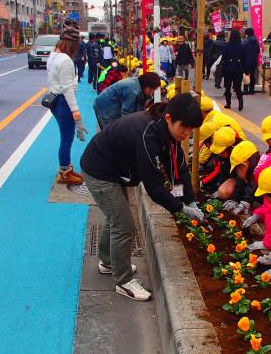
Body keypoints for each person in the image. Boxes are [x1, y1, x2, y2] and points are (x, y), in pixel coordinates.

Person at [80, 93, 205, 301]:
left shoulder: (165, 131)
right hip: (99, 171)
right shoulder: (147, 133)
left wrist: (188, 199)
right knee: (124, 225)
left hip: (113, 169)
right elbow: (154, 187)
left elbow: (177, 170)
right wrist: (181, 209)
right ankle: (123, 281)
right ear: (169, 119)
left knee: (117, 218)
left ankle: (108, 261)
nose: (187, 133)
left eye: (192, 129)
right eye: (185, 127)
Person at [47, 25, 86, 185]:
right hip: (63, 101)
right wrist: (76, 113)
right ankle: (64, 173)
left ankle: (67, 168)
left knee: (66, 138)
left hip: (55, 99)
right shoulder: (66, 61)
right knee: (67, 139)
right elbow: (68, 88)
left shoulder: (54, 56)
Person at [93, 72, 162, 129]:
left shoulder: (139, 83)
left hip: (113, 104)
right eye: (152, 89)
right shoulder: (132, 91)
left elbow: (140, 109)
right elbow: (126, 114)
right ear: (147, 86)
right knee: (110, 132)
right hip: (105, 107)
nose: (152, 92)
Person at [201, 126, 238, 193]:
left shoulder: (239, 157)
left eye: (221, 152)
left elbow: (243, 181)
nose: (219, 154)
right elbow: (223, 174)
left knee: (223, 192)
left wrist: (234, 199)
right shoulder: (225, 153)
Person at [221, 29, 246, 111]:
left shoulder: (227, 45)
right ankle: (240, 102)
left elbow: (223, 57)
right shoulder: (242, 46)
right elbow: (244, 58)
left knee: (228, 87)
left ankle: (228, 104)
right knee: (238, 87)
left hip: (228, 68)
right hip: (238, 68)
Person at [242, 28, 260, 94]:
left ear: (247, 33)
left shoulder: (245, 41)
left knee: (246, 75)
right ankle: (252, 90)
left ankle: (246, 90)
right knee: (252, 75)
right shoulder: (256, 41)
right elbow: (258, 51)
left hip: (246, 61)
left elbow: (242, 51)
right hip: (254, 61)